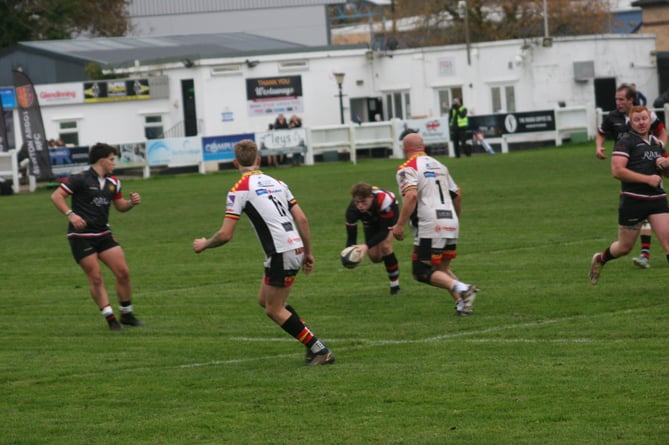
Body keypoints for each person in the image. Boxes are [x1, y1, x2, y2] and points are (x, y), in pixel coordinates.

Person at [192, 139, 335, 366]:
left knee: (274, 309)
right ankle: (312, 343)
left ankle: (319, 349)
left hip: (281, 251)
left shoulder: (239, 190)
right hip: (293, 246)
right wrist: (308, 252)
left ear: (234, 162)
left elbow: (226, 234)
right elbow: (302, 219)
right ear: (258, 160)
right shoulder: (278, 182)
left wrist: (205, 244)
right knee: (264, 300)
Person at [50, 143, 143, 331]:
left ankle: (126, 313)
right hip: (81, 236)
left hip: (103, 234)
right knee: (96, 277)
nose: (113, 163)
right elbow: (56, 196)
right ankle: (110, 319)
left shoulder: (114, 182)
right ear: (102, 161)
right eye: (111, 160)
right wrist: (71, 214)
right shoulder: (80, 179)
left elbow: (120, 206)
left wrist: (131, 203)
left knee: (123, 272)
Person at [391, 133, 478, 316]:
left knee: (420, 270)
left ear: (405, 148)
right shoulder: (440, 165)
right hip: (451, 219)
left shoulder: (407, 168)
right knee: (442, 268)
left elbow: (412, 195)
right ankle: (463, 304)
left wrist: (399, 224)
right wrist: (453, 220)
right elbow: (457, 194)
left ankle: (463, 288)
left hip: (430, 223)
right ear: (422, 147)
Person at [589, 105, 669, 285]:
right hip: (633, 200)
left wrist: (666, 165)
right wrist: (647, 179)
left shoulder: (656, 143)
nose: (641, 123)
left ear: (650, 119)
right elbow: (617, 171)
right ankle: (601, 259)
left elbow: (665, 173)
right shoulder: (626, 141)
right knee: (624, 247)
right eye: (637, 120)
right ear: (631, 122)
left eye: (644, 119)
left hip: (657, 199)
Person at [345, 182, 401, 295]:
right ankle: (388, 259)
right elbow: (351, 239)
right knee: (375, 257)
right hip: (370, 219)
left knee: (385, 246)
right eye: (357, 202)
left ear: (371, 197)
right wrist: (350, 254)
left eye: (363, 202)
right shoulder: (352, 210)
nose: (360, 205)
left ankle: (395, 287)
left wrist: (366, 246)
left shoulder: (385, 201)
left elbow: (384, 231)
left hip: (389, 214)